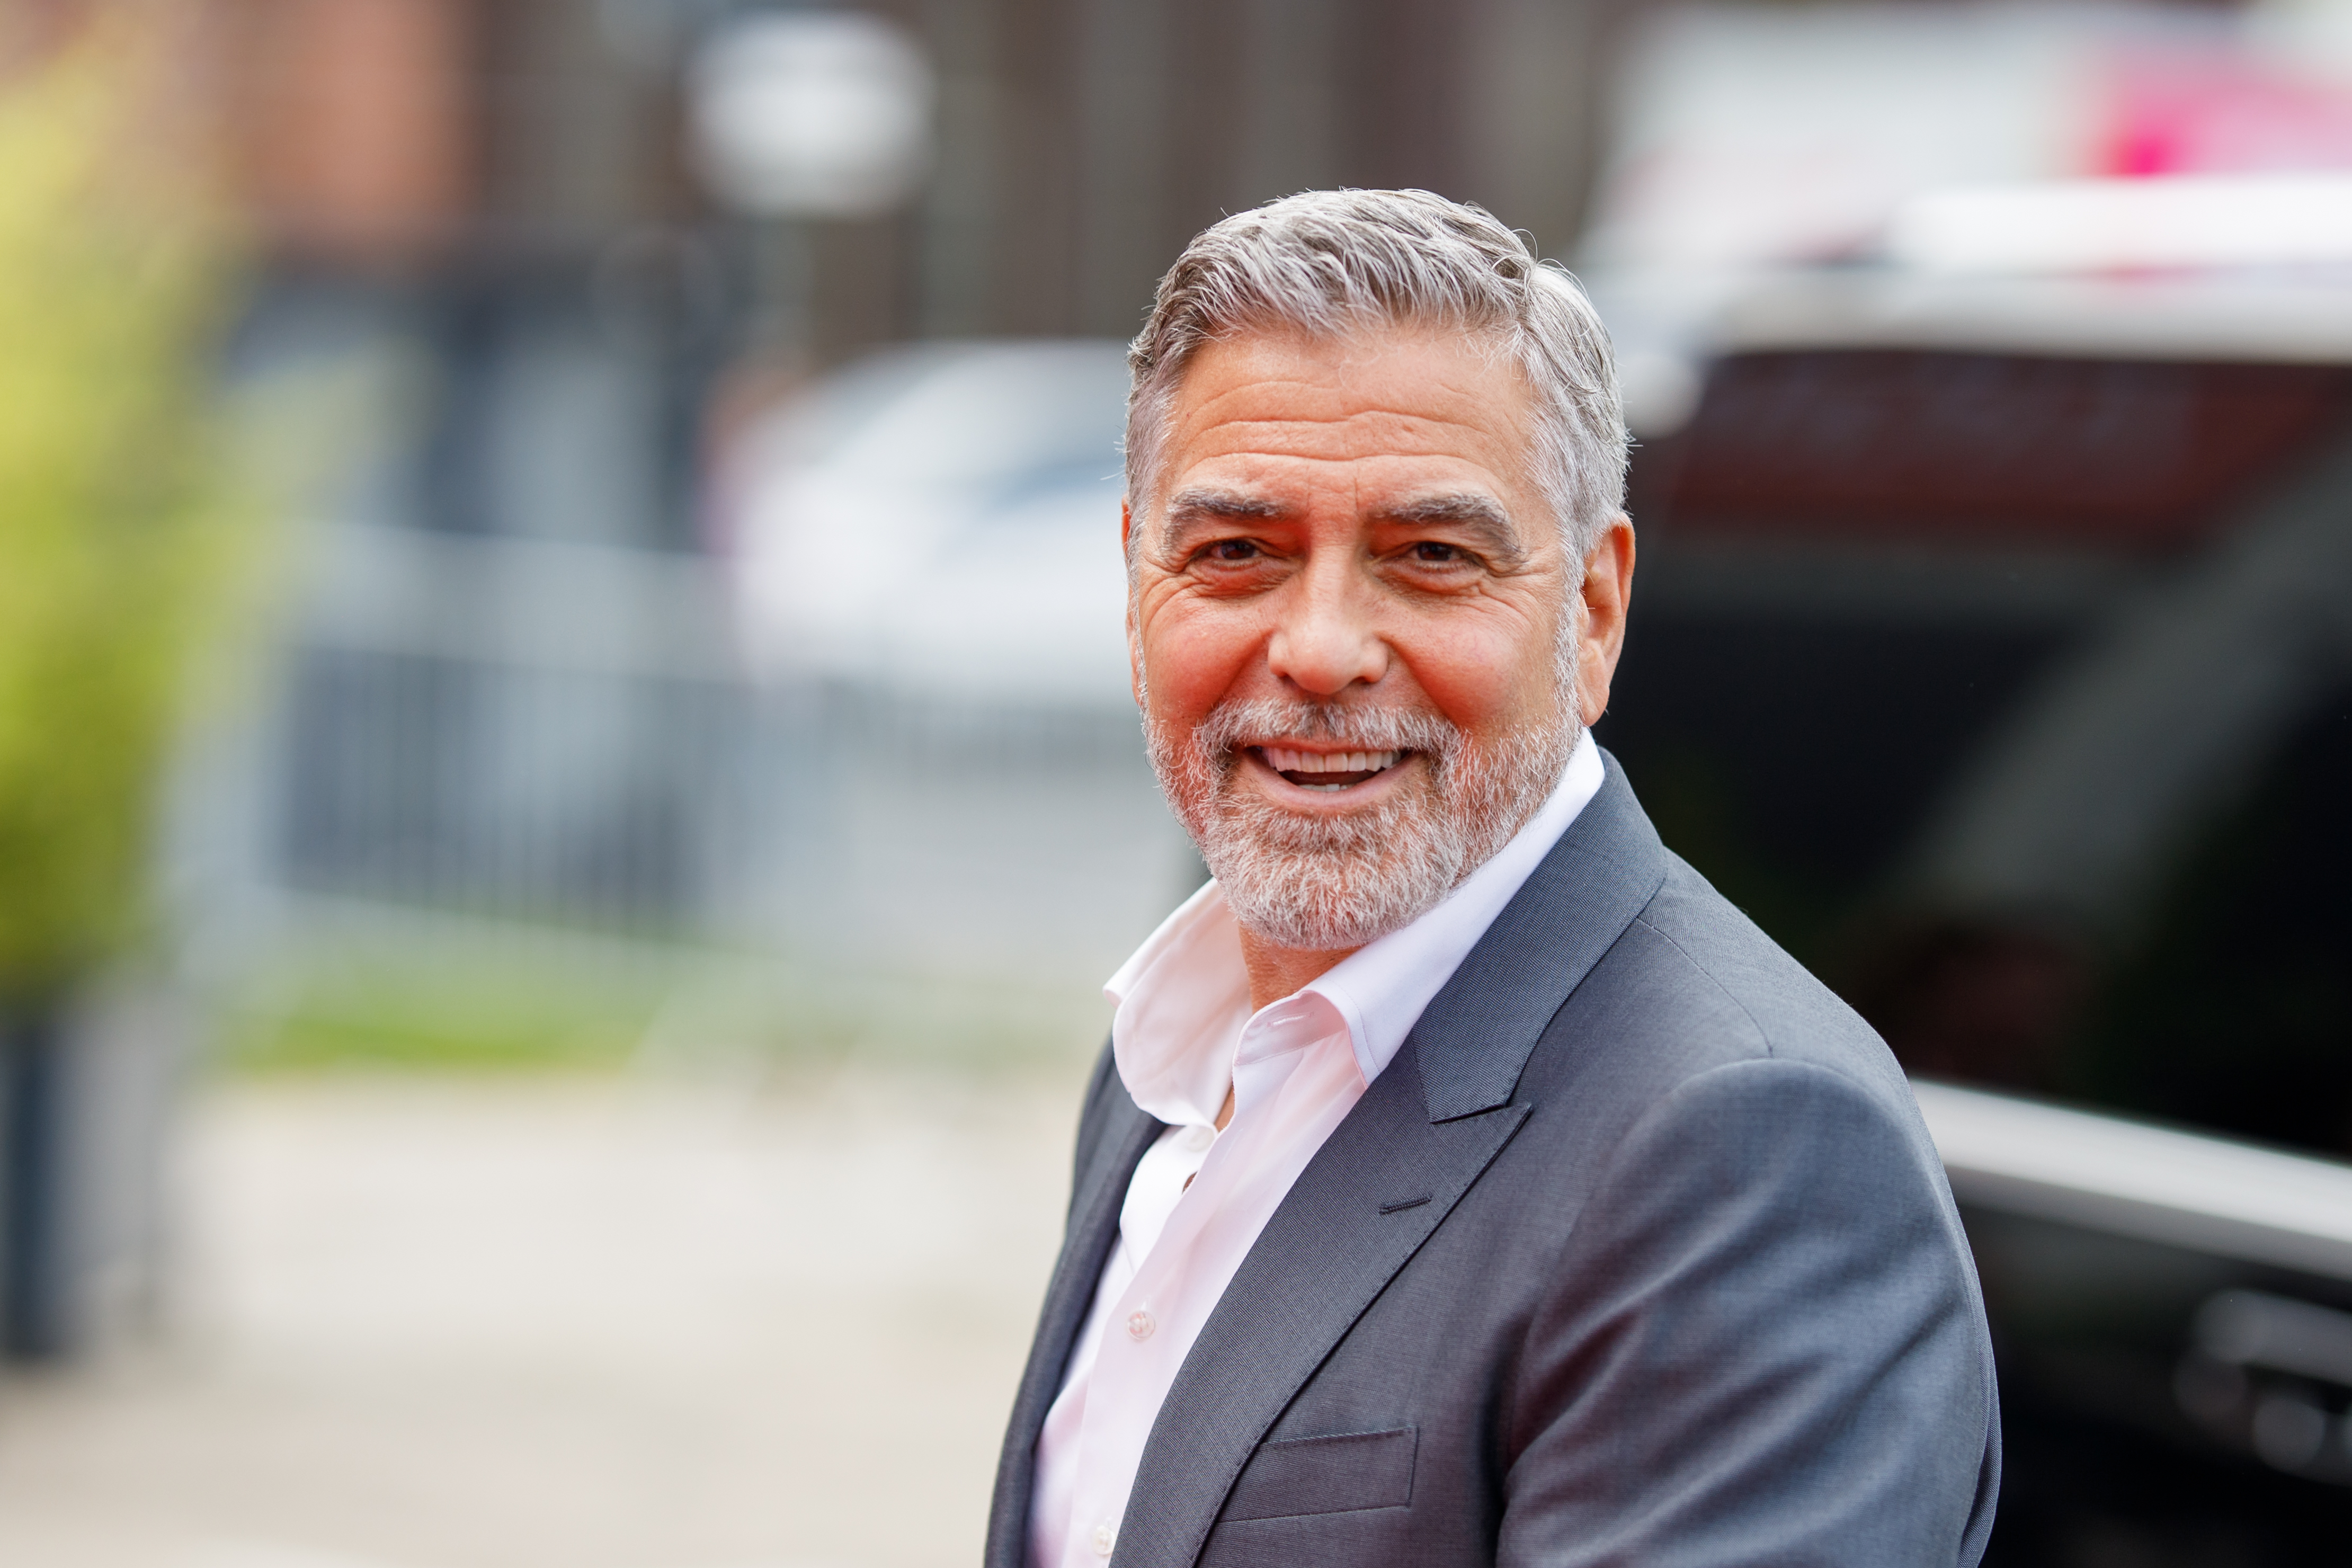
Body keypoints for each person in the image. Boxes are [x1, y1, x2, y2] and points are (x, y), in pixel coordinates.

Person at [987, 189, 2000, 1568]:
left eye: (1430, 558)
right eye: (1238, 552)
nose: (1322, 648)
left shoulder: (1747, 1155)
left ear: (1591, 614)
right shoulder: (1170, 1047)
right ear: (1135, 586)